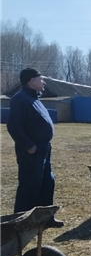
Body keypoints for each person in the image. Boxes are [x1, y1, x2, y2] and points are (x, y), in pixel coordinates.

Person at [6, 68, 64, 227]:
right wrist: (29, 146)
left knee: (47, 182)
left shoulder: (34, 98)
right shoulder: (20, 99)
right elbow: (13, 127)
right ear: (32, 81)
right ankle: (21, 222)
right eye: (41, 79)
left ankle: (45, 219)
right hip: (31, 152)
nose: (43, 82)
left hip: (44, 149)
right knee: (29, 185)